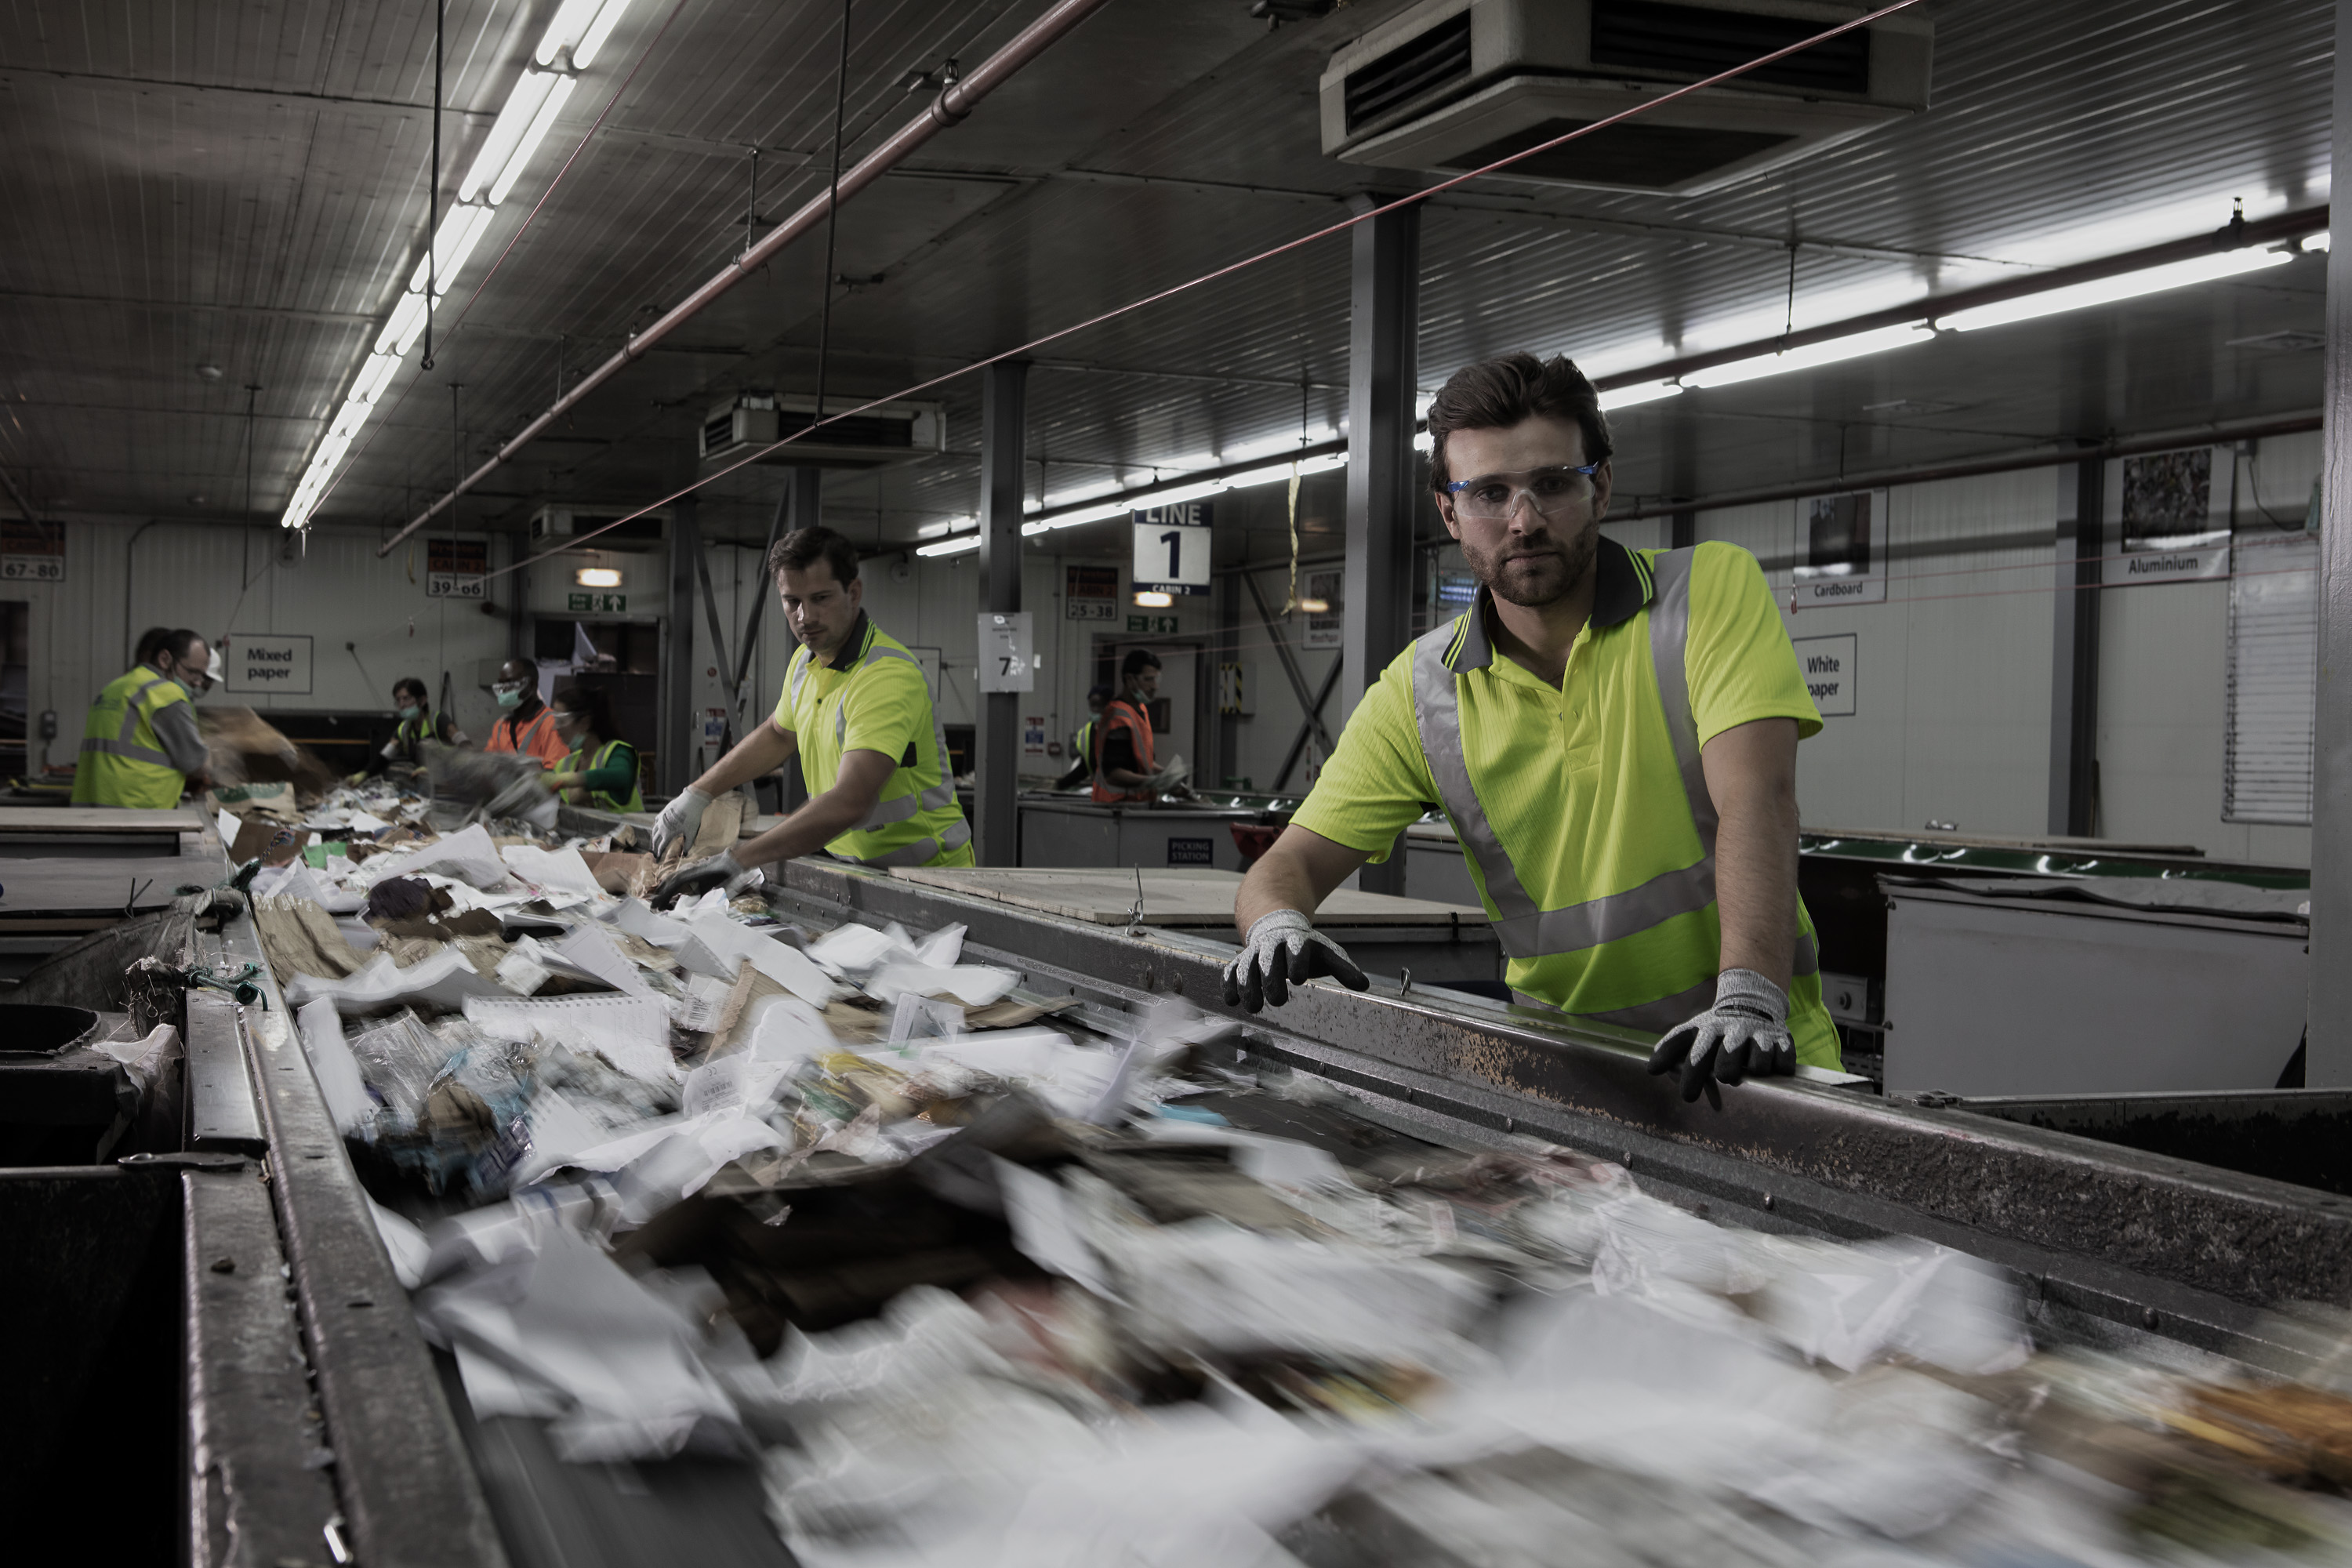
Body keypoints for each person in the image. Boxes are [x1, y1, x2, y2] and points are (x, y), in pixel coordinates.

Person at [1223, 352, 1838, 1102]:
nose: (1524, 520)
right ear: (1449, 513)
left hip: (1755, 1065)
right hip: (1569, 1078)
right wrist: (1276, 928)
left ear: (1601, 486)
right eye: (1489, 493)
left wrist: (1747, 999)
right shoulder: (1421, 694)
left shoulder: (1704, 595)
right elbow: (1280, 871)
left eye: (1552, 484)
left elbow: (1758, 799)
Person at [651, 526, 972, 900]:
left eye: (821, 598)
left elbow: (850, 800)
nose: (805, 616)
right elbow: (778, 733)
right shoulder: (805, 663)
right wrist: (698, 793)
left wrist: (737, 860)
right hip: (863, 875)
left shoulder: (885, 676)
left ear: (853, 592)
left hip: (931, 882)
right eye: (792, 601)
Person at [72, 626, 212, 808]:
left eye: (202, 675)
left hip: (90, 813)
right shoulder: (167, 696)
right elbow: (198, 766)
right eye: (193, 672)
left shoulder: (113, 688)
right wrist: (214, 751)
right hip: (138, 815)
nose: (198, 682)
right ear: (165, 659)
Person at [1093, 650, 1188, 803]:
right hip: (1115, 808)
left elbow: (1144, 762)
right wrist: (1155, 781)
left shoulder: (1141, 710)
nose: (1154, 686)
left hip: (1136, 805)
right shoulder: (1117, 717)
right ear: (1130, 679)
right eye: (1148, 679)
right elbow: (1113, 773)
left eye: (1157, 679)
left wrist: (1168, 777)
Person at [540, 683, 643, 812]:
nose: (555, 728)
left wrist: (572, 779)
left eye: (561, 721)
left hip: (630, 831)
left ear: (585, 723)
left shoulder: (618, 752)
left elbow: (621, 776)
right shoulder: (565, 765)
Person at [353, 676, 466, 781]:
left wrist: (436, 769)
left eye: (406, 698)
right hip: (429, 786)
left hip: (452, 783)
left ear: (422, 700)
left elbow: (465, 745)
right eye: (398, 700)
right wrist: (364, 774)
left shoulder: (438, 720)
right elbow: (385, 757)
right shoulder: (403, 730)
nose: (401, 705)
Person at [484, 657, 567, 768]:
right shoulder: (501, 726)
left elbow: (555, 771)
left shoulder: (553, 724)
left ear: (531, 685)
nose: (504, 690)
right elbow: (488, 765)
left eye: (510, 683)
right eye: (501, 684)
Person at [1053, 684, 1113, 791]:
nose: (1095, 710)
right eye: (1092, 705)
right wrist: (1061, 784)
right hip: (1103, 792)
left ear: (1109, 706)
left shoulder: (1120, 730)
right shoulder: (1088, 733)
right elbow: (1085, 767)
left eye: (1099, 705)